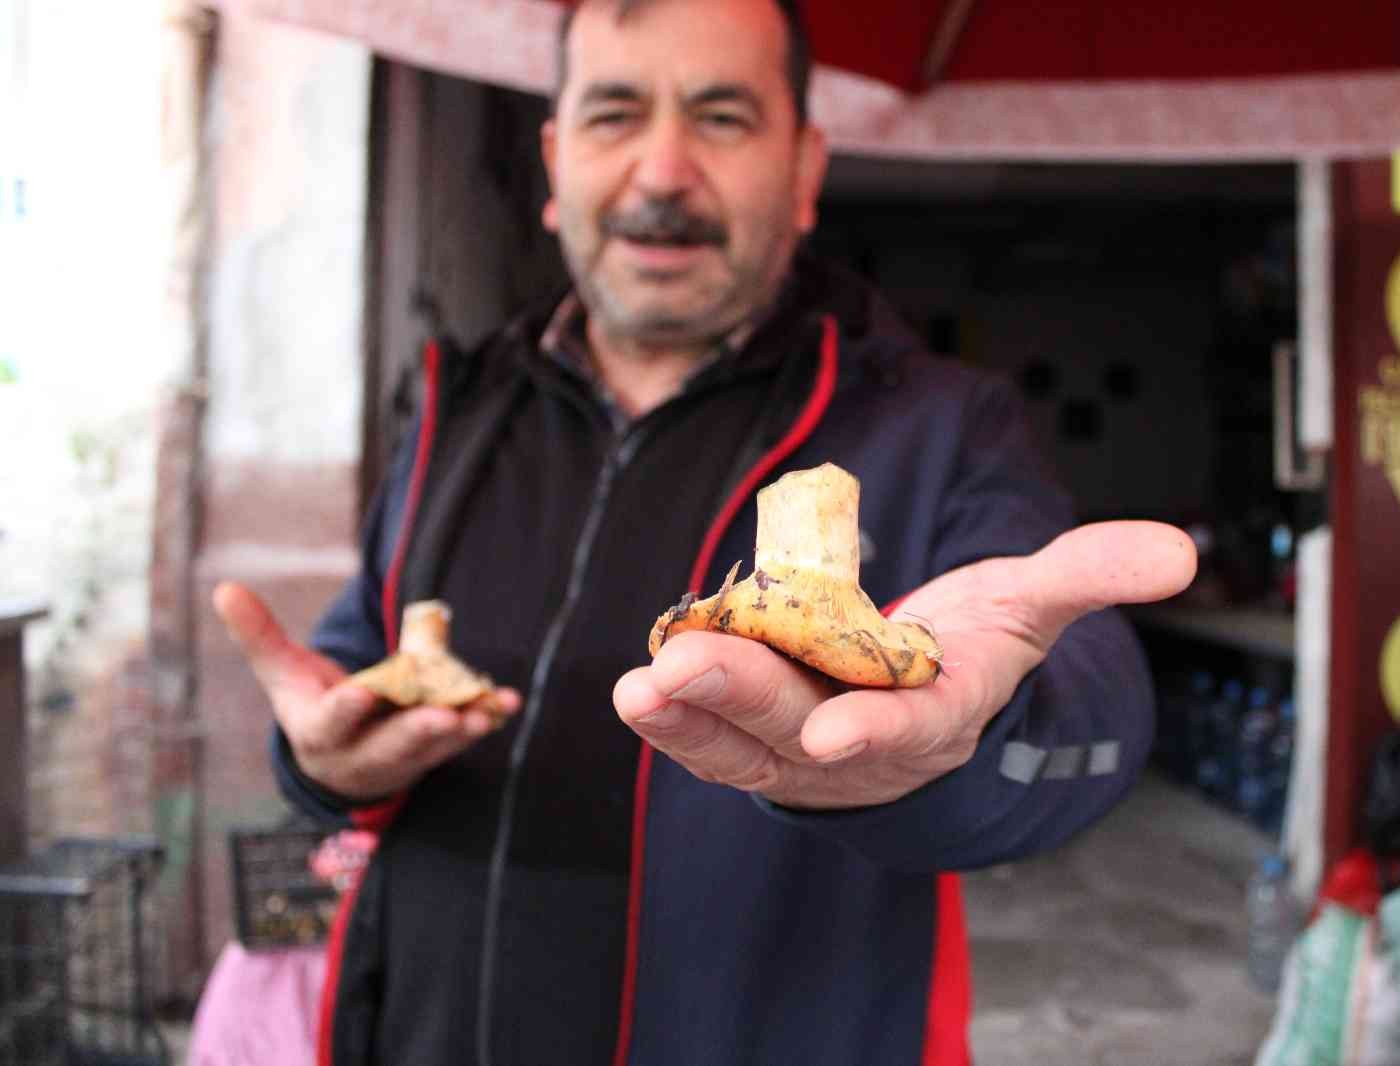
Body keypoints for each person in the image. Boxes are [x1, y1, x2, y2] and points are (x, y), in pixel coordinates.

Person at [211, 0, 1197, 1063]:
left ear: (805, 167)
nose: (662, 170)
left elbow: (1092, 707)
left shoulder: (937, 421)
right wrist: (326, 760)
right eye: (614, 114)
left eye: (721, 117)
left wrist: (957, 746)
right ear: (555, 163)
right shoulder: (460, 406)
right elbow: (366, 652)